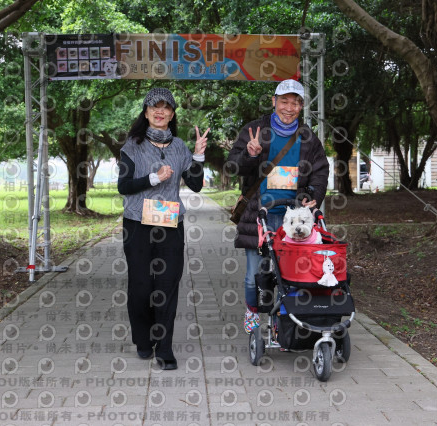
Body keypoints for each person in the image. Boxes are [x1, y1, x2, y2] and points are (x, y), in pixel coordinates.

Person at [226, 79, 329, 333]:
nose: (289, 108)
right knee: (255, 275)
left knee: (293, 275)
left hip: (293, 218)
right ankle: (252, 312)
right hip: (258, 215)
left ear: (301, 106)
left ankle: (284, 322)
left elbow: (320, 170)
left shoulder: (308, 137)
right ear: (274, 102)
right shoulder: (255, 130)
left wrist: (314, 194)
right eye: (284, 101)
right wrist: (250, 154)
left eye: (295, 103)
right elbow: (233, 167)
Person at [118, 87, 209, 370]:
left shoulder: (179, 147)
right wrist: (154, 178)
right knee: (141, 288)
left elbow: (195, 185)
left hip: (170, 225)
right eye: (155, 107)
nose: (160, 111)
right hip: (137, 225)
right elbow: (124, 186)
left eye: (166, 107)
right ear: (146, 113)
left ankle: (165, 348)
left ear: (171, 115)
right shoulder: (132, 146)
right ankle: (143, 339)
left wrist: (198, 156)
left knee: (167, 285)